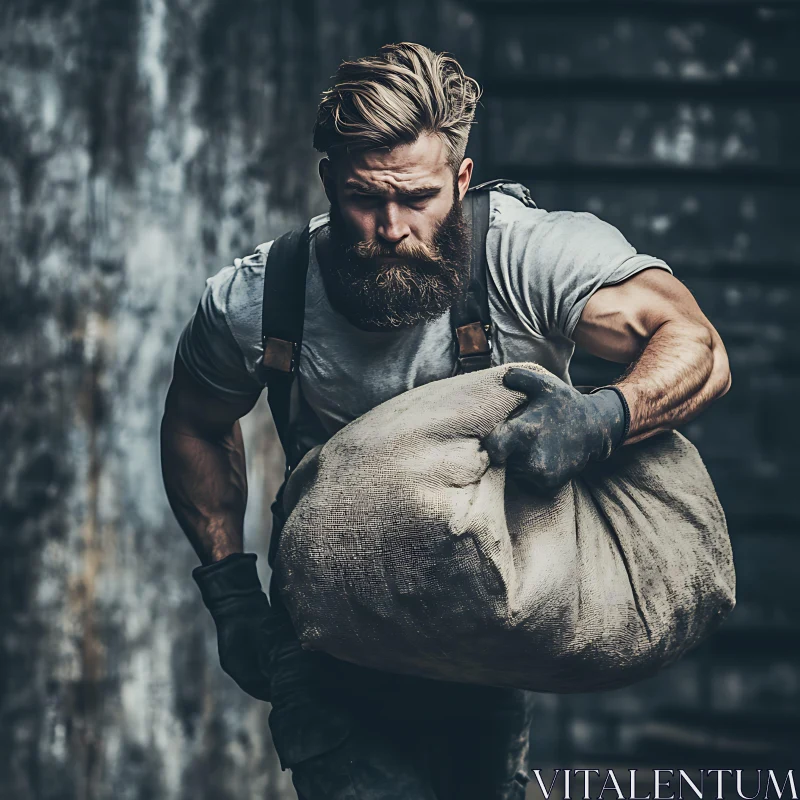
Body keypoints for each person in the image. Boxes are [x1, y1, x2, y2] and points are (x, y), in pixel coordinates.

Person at [160, 42, 731, 800]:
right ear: (329, 179)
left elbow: (698, 346)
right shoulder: (260, 298)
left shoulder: (528, 255)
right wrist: (228, 590)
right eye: (365, 197)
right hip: (333, 645)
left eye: (419, 198)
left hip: (481, 629)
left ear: (461, 179)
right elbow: (194, 423)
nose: (391, 226)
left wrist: (604, 418)